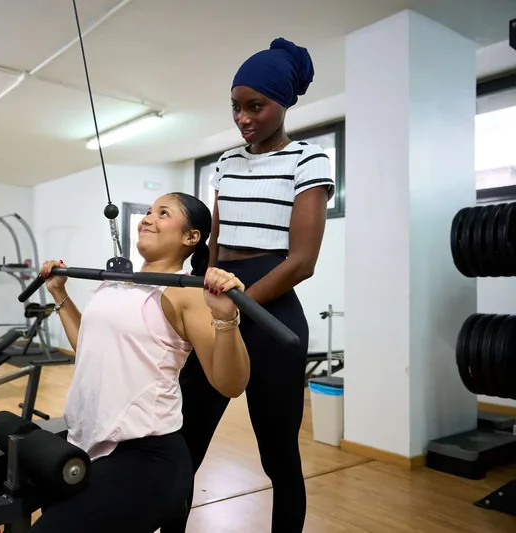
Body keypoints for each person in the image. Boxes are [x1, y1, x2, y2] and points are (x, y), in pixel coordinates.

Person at [160, 38, 334, 533]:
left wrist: (234, 308)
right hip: (219, 299)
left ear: (284, 103)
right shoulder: (227, 163)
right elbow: (217, 244)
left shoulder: (309, 160)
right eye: (236, 107)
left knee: (278, 458)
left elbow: (302, 262)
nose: (243, 118)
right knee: (184, 447)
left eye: (256, 106)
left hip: (269, 310)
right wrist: (203, 299)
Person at [26, 192, 252, 533]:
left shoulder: (186, 293)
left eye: (163, 213)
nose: (147, 219)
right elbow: (87, 346)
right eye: (147, 212)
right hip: (86, 440)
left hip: (147, 456)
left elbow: (231, 384)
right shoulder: (117, 283)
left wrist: (226, 319)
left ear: (191, 238)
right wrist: (59, 292)